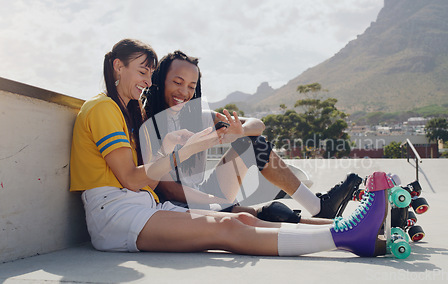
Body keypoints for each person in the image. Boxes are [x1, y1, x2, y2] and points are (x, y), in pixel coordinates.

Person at [70, 38, 389, 257]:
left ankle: (350, 230)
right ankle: (344, 235)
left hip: (143, 204)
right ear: (117, 67)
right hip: (130, 208)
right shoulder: (112, 111)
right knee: (237, 221)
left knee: (243, 217)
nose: (148, 81)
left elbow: (144, 181)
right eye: (145, 73)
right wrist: (188, 154)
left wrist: (221, 135)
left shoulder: (129, 113)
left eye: (191, 86)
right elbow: (137, 180)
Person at [141, 50, 363, 223]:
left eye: (191, 86)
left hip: (205, 193)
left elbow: (258, 124)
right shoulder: (146, 123)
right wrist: (214, 201)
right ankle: (327, 224)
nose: (184, 92)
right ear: (161, 80)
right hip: (176, 206)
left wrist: (241, 131)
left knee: (254, 144)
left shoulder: (197, 117)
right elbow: (166, 187)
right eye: (177, 82)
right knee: (266, 215)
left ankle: (317, 207)